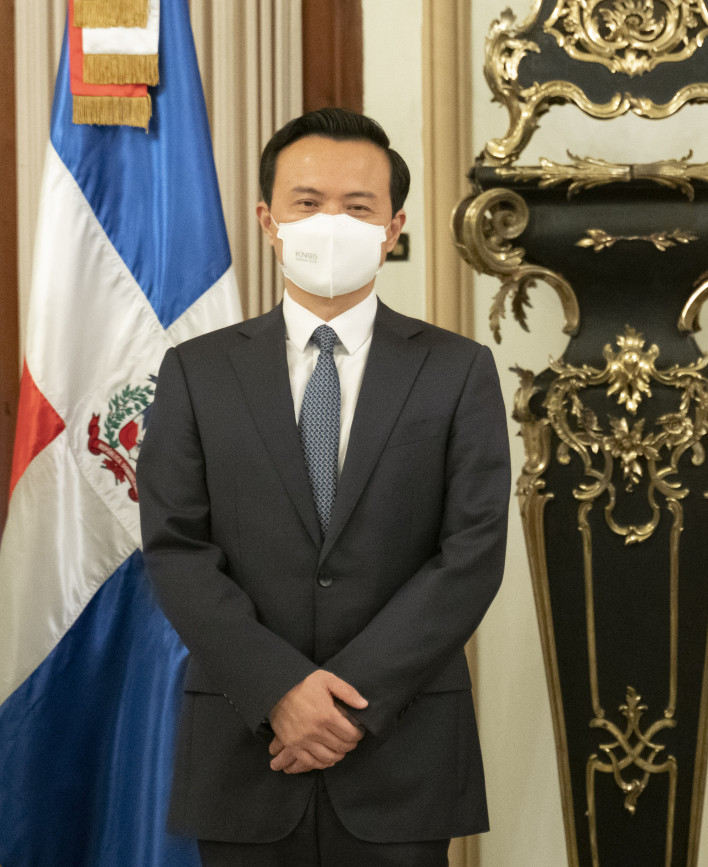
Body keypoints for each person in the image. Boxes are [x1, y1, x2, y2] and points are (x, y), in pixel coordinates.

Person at [138, 108, 510, 866]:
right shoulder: (197, 371)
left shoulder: (458, 370)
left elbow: (471, 553)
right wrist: (280, 689)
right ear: (268, 220)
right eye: (307, 203)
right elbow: (175, 548)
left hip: (401, 749)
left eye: (358, 206)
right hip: (245, 746)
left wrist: (345, 700)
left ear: (393, 228)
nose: (331, 223)